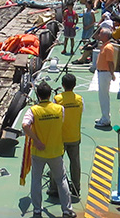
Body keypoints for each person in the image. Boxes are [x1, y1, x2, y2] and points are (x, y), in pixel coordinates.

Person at [23, 81, 74, 218]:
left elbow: (25, 125)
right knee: (61, 180)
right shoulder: (59, 109)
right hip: (56, 151)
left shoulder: (33, 110)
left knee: (36, 180)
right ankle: (67, 210)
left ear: (38, 95)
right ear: (50, 94)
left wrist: (36, 140)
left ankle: (37, 210)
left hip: (38, 152)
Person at [55, 71, 83, 198]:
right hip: (74, 136)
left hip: (60, 137)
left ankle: (54, 188)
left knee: (56, 163)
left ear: (62, 85)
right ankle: (76, 188)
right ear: (75, 85)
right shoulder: (79, 99)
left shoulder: (58, 99)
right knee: (75, 163)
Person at [94, 29, 116, 130]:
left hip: (104, 73)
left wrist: (112, 74)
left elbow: (110, 62)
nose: (99, 35)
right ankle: (104, 116)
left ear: (106, 36)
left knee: (104, 97)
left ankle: (106, 119)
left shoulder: (108, 47)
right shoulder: (104, 45)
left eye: (101, 34)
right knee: (102, 96)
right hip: (102, 73)